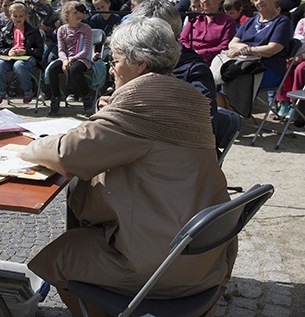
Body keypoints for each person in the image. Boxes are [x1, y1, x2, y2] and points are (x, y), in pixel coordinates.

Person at [19, 17, 235, 317]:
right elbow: (148, 138)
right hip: (203, 256)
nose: (110, 67)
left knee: (58, 256)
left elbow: (68, 153)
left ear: (141, 64)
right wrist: (114, 112)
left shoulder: (142, 103)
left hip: (160, 265)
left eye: (116, 60)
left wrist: (27, 147)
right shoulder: (187, 97)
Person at [132, 0, 218, 131]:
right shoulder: (137, 62)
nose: (138, 39)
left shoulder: (194, 70)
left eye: (145, 32)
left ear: (169, 32)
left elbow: (204, 123)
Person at [45, 1, 93, 116]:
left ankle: (86, 95)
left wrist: (71, 60)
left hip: (82, 59)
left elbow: (86, 51)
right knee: (52, 69)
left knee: (74, 69)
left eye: (80, 12)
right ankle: (56, 96)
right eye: (75, 12)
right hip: (65, 59)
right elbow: (61, 49)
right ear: (67, 15)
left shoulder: (86, 28)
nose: (79, 15)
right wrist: (65, 60)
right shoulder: (61, 30)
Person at [0, 2, 44, 104]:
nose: (18, 19)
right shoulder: (6, 30)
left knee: (19, 65)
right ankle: (2, 90)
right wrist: (8, 51)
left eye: (21, 16)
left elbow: (39, 51)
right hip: (10, 58)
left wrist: (26, 51)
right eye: (15, 16)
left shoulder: (33, 31)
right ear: (10, 15)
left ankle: (28, 90)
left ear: (25, 16)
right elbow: (0, 48)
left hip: (28, 58)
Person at [180, 0, 236, 65]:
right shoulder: (194, 18)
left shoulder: (228, 21)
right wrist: (190, 52)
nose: (205, 0)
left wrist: (200, 53)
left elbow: (224, 46)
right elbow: (182, 39)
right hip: (189, 57)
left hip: (212, 61)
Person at [276, 18, 305, 117]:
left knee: (300, 69)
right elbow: (296, 39)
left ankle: (295, 102)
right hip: (297, 53)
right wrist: (293, 55)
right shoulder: (302, 22)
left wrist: (302, 57)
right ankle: (284, 101)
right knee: (285, 66)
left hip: (303, 57)